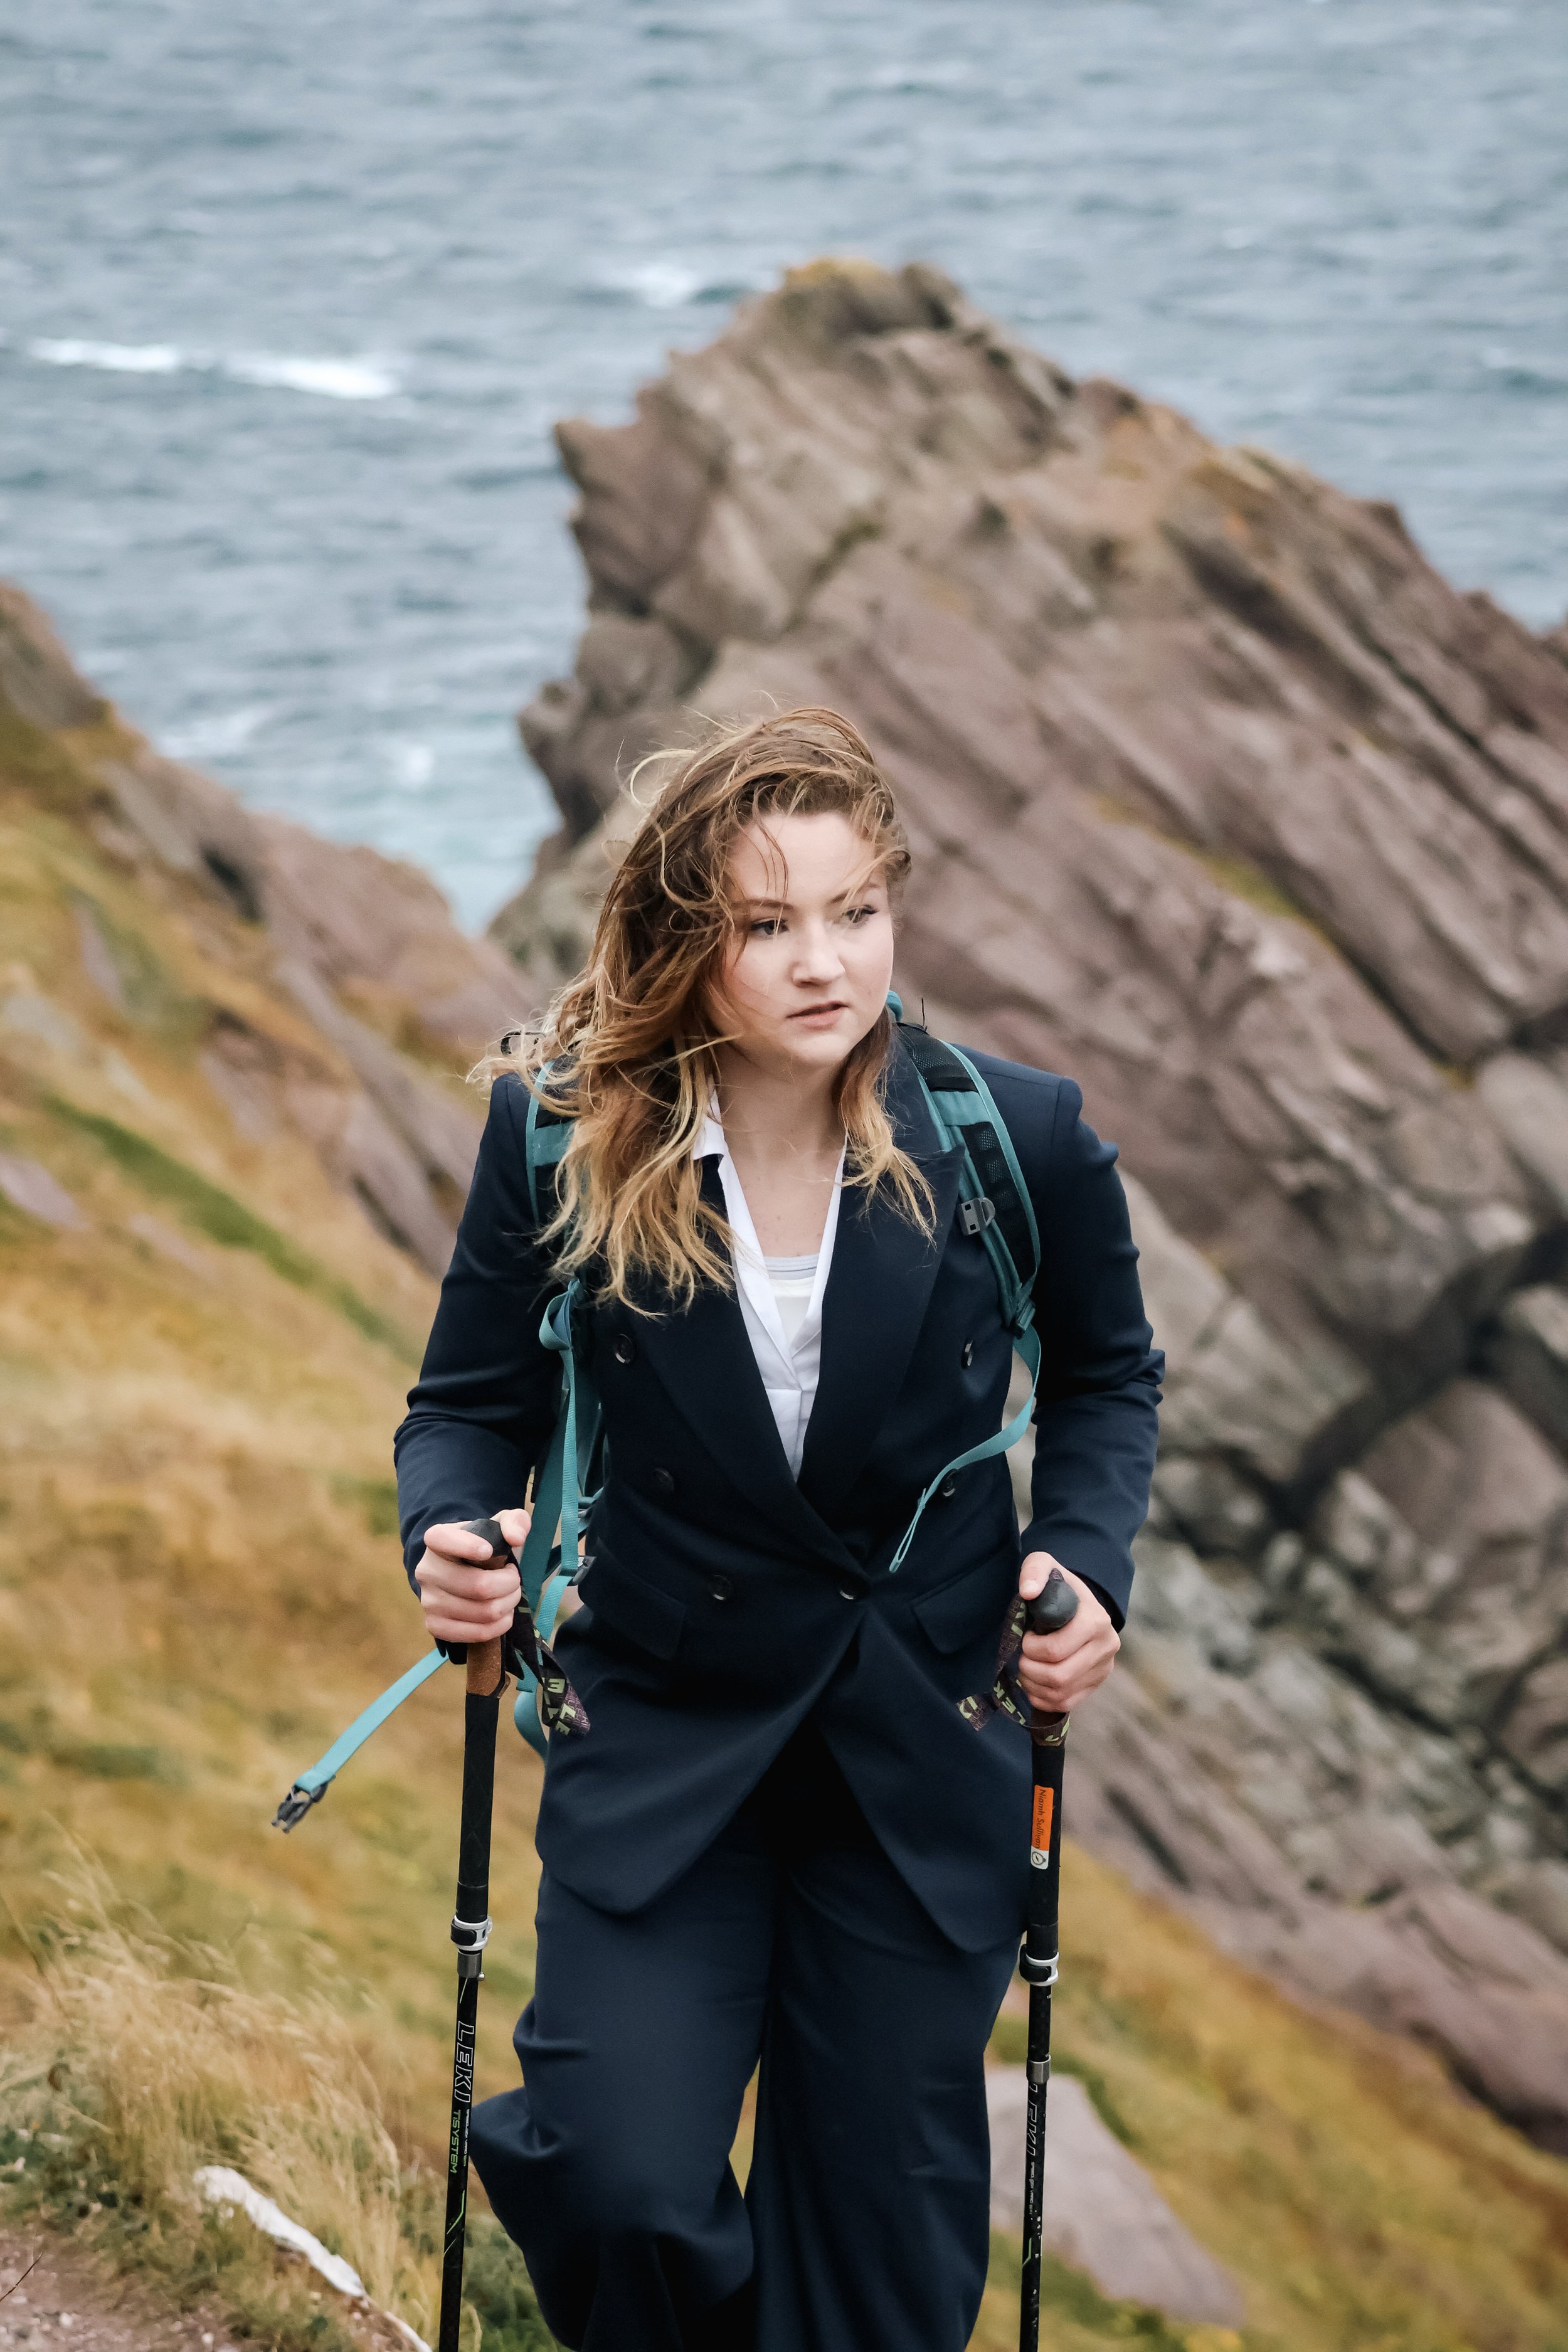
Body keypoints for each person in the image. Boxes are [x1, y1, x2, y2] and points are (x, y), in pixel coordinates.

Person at [395, 707, 1162, 2352]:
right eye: (763, 925)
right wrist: (449, 1534)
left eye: (853, 912)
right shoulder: (558, 1138)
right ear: (684, 941)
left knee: (879, 2283)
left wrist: (1087, 1564)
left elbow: (1108, 1377)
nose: (823, 962)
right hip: (664, 1744)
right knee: (613, 2177)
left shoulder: (1013, 1139)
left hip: (920, 1761)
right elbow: (462, 1405)